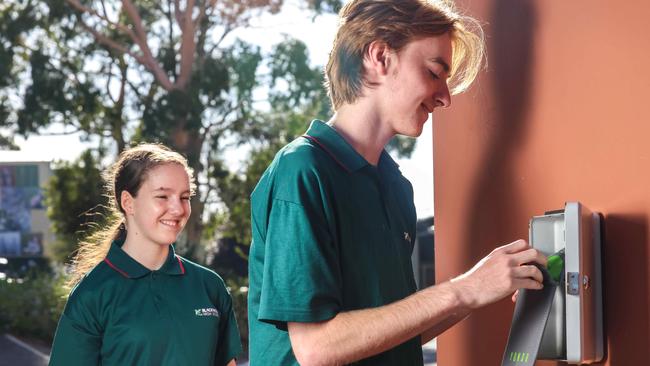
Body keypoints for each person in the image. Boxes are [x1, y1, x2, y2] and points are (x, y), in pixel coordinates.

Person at [247, 0, 547, 365]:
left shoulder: (396, 188)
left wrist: (489, 285)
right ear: (380, 57)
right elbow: (316, 347)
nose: (445, 97)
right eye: (434, 72)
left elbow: (394, 330)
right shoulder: (303, 170)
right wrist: (465, 289)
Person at [50, 143, 242, 366]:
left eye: (185, 197)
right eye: (162, 196)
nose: (178, 209)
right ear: (128, 203)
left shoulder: (209, 286)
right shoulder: (92, 294)